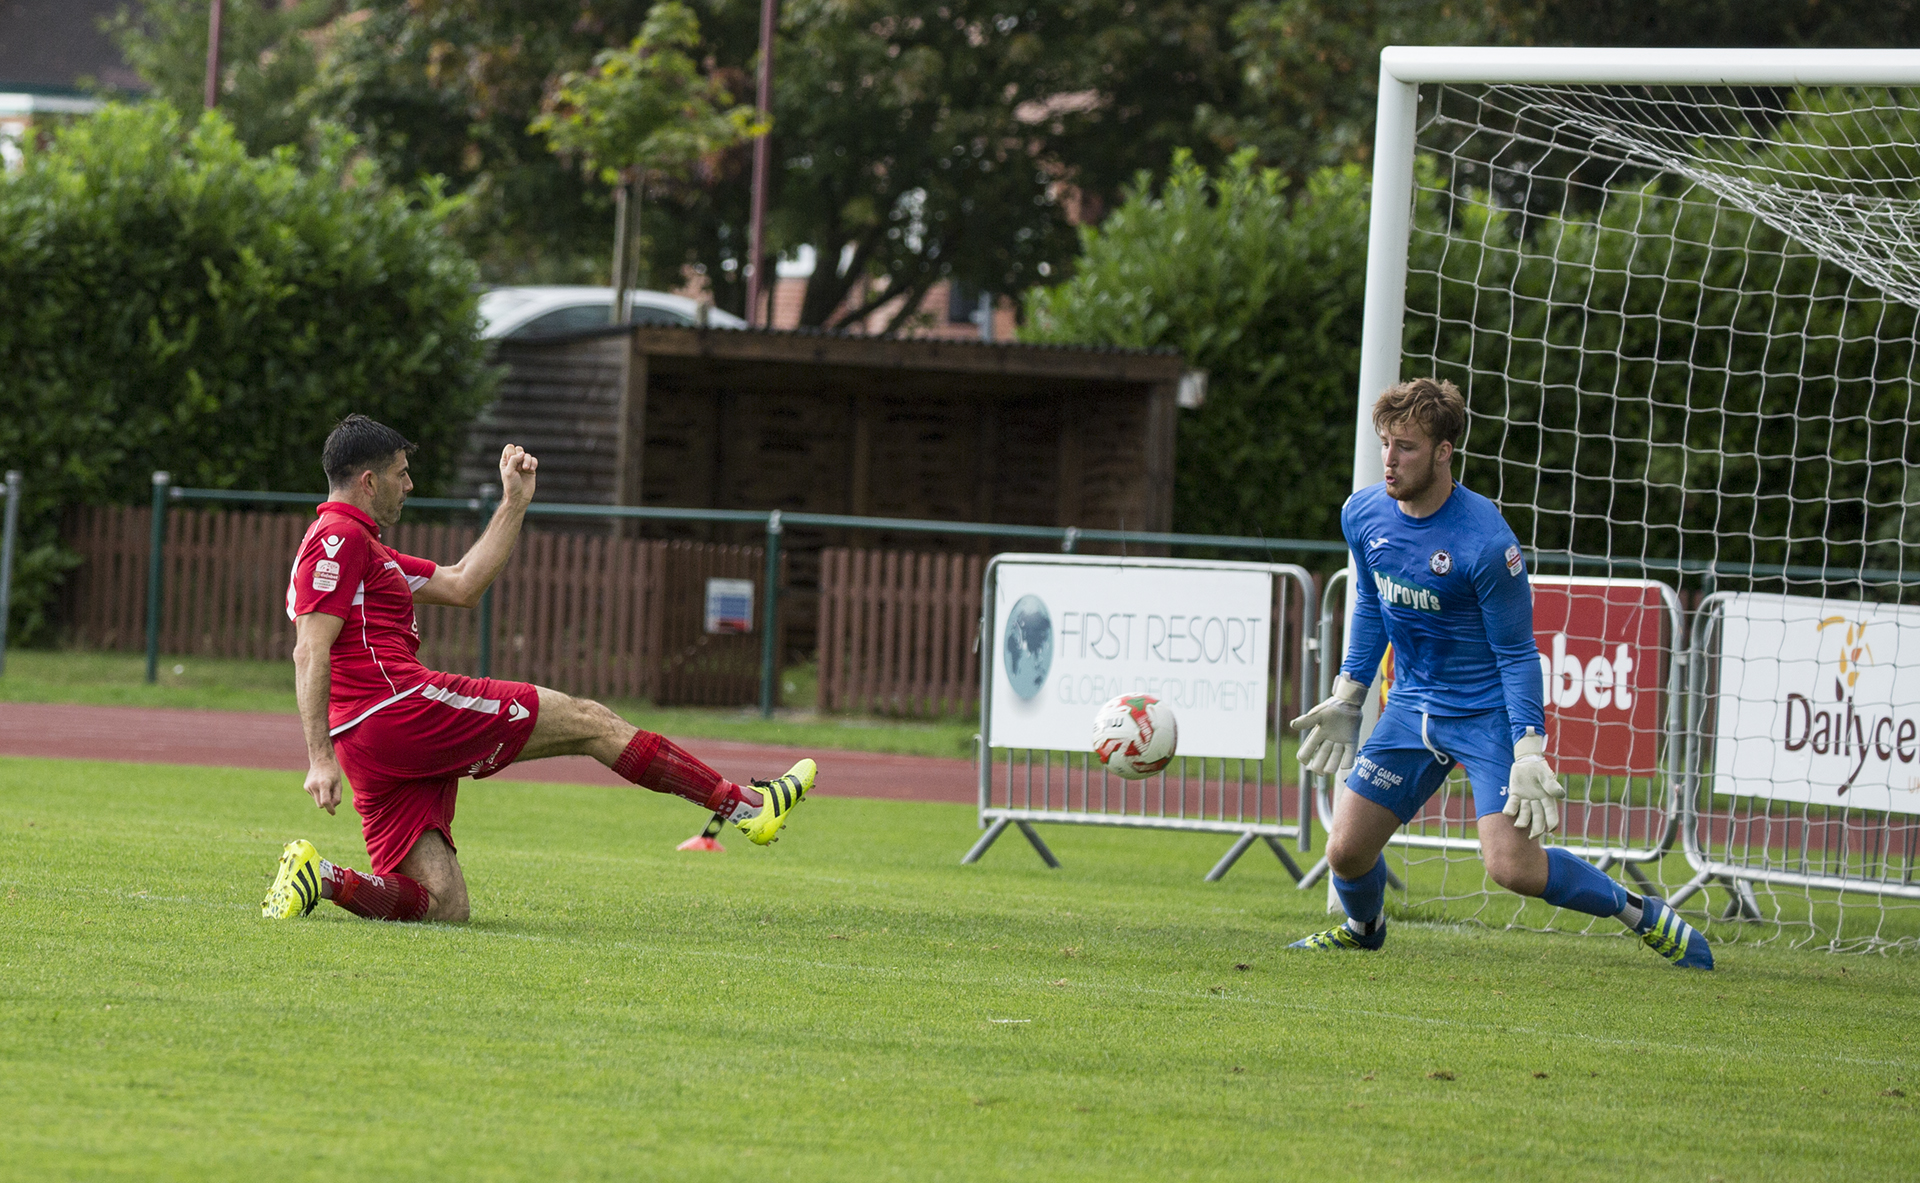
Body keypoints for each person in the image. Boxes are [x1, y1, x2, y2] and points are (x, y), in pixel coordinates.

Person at [261, 414, 813, 923]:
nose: (410, 485)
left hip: (370, 737)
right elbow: (310, 649)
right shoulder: (338, 540)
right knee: (590, 720)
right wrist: (318, 760)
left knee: (446, 906)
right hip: (397, 710)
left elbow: (462, 584)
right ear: (368, 481)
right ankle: (747, 808)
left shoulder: (365, 550)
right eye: (401, 474)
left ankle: (324, 878)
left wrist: (514, 503)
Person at [1286, 378, 1711, 969]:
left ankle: (1641, 912)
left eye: (1405, 446)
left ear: (1443, 451)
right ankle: (1363, 927)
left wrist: (1529, 747)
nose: (1389, 459)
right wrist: (1349, 692)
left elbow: (1516, 653)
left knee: (1512, 868)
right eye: (1384, 442)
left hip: (1484, 714)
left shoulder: (1485, 542)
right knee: (1346, 852)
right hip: (1411, 709)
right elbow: (1370, 603)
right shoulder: (1362, 514)